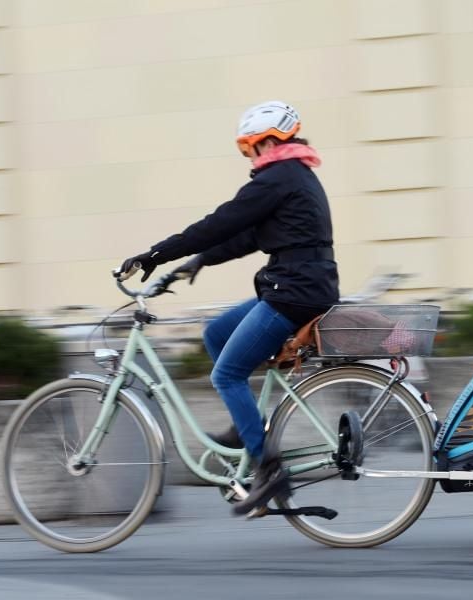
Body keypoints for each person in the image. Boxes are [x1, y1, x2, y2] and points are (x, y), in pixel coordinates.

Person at [117, 100, 339, 514]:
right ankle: (244, 429)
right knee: (216, 333)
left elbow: (222, 220)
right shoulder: (293, 176)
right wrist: (200, 260)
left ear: (270, 141)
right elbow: (247, 235)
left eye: (249, 147)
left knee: (227, 374)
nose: (249, 157)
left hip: (294, 291)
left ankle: (268, 469)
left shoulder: (278, 177)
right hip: (299, 285)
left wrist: (155, 254)